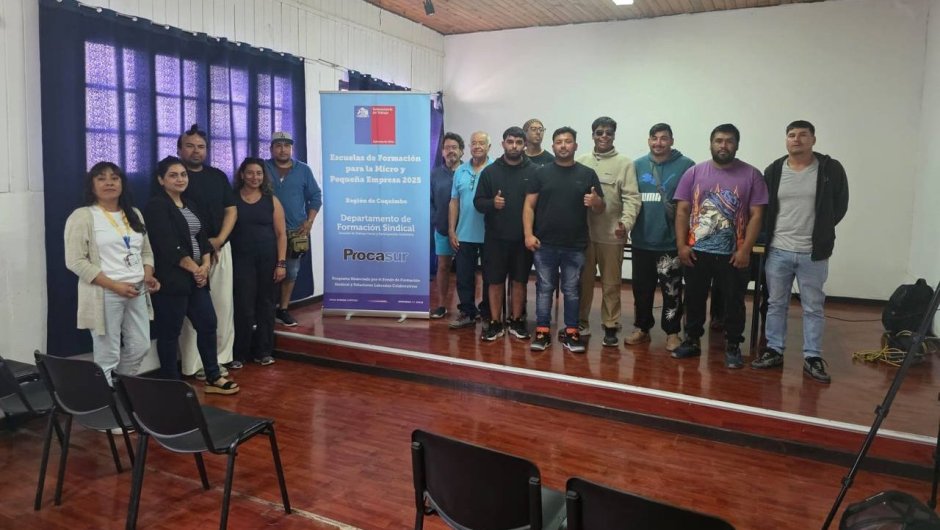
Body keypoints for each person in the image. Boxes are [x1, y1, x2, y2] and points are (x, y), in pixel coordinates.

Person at [751, 120, 849, 384]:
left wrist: (823, 231)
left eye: (803, 135)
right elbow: (765, 207)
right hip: (778, 250)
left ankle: (812, 356)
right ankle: (774, 349)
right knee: (775, 304)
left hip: (812, 253)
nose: (797, 139)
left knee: (813, 307)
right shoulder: (774, 170)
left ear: (813, 140)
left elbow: (840, 205)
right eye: (791, 135)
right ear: (786, 140)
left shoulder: (830, 169)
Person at [672, 124, 768, 369]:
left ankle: (733, 345)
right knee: (694, 298)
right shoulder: (694, 173)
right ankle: (692, 340)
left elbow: (757, 215)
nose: (723, 145)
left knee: (734, 301)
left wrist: (745, 249)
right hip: (697, 252)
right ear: (711, 143)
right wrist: (681, 245)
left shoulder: (752, 175)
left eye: (729, 141)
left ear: (737, 145)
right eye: (718, 140)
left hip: (734, 254)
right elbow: (682, 210)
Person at [145, 156, 239, 395]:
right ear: (161, 180)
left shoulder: (190, 204)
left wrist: (205, 265)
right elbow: (167, 244)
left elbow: (202, 238)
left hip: (197, 278)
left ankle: (213, 377)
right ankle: (171, 385)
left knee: (208, 324)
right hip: (172, 279)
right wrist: (194, 268)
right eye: (173, 175)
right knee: (170, 333)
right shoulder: (157, 206)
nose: (180, 179)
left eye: (183, 175)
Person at [64, 162, 160, 384]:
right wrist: (114, 285)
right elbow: (75, 261)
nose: (109, 182)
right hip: (105, 292)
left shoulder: (134, 213)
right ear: (92, 185)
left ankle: (120, 386)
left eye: (114, 178)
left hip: (137, 290)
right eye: (101, 178)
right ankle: (107, 399)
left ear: (122, 184)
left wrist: (148, 274)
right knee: (108, 355)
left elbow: (146, 251)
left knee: (140, 346)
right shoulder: (83, 216)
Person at [524, 127, 605, 353]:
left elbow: (600, 208)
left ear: (575, 146)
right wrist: (528, 234)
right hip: (544, 244)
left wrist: (596, 202)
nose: (563, 145)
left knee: (571, 289)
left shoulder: (587, 174)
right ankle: (542, 331)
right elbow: (529, 206)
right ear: (553, 146)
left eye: (568, 141)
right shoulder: (541, 173)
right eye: (559, 142)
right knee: (544, 288)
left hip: (575, 245)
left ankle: (571, 332)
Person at [176, 124, 236, 379]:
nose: (196, 151)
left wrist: (219, 240)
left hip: (220, 247)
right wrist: (202, 249)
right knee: (194, 313)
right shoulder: (174, 177)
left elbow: (231, 210)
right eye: (189, 146)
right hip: (188, 254)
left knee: (222, 305)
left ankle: (221, 358)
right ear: (180, 149)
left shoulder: (217, 176)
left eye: (201, 146)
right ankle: (194, 364)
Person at [628, 123, 695, 352]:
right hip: (641, 241)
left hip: (670, 242)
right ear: (649, 140)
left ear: (671, 141)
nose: (658, 143)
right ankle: (642, 328)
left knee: (672, 291)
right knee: (641, 290)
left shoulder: (686, 166)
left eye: (664, 138)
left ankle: (672, 332)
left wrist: (685, 240)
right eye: (654, 138)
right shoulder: (636, 165)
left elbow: (691, 204)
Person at [576, 117, 641, 347]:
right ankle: (580, 322)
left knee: (611, 283)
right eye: (599, 132)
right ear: (592, 135)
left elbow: (632, 198)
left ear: (614, 135)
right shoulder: (581, 161)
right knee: (582, 282)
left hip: (612, 234)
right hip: (583, 235)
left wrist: (626, 224)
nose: (604, 136)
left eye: (608, 133)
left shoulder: (625, 164)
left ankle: (611, 325)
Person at [474, 126, 536, 341]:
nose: (514, 146)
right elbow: (478, 202)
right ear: (503, 144)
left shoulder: (534, 171)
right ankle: (495, 322)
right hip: (495, 239)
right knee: (495, 281)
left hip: (522, 239)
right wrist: (492, 203)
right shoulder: (490, 172)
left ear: (524, 145)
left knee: (520, 281)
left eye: (519, 142)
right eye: (510, 142)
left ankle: (516, 321)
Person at [230, 158, 288, 368]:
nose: (255, 177)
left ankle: (263, 352)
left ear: (264, 176)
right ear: (242, 175)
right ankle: (239, 354)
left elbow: (281, 234)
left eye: (259, 173)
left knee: (266, 306)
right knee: (243, 307)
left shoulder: (272, 200)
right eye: (250, 173)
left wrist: (281, 264)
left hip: (268, 261)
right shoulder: (232, 199)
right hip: (241, 261)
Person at [266, 131, 322, 327]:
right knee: (265, 272)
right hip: (266, 230)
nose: (283, 150)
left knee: (290, 272)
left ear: (291, 148)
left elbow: (315, 196)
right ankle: (264, 311)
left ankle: (283, 309)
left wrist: (310, 221)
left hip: (295, 231)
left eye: (287, 146)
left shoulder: (303, 170)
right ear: (271, 149)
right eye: (278, 146)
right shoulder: (263, 168)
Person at [448, 131, 492, 329]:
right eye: (474, 143)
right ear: (469, 147)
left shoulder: (495, 169)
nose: (477, 146)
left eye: (481, 143)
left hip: (491, 234)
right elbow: (454, 201)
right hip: (464, 233)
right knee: (464, 276)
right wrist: (452, 230)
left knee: (491, 277)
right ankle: (467, 312)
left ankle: (488, 313)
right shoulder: (460, 171)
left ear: (489, 147)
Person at [430, 132, 464, 319]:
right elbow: (428, 201)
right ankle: (442, 305)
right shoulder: (434, 174)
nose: (451, 151)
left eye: (454, 147)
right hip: (443, 229)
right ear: (442, 152)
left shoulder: (468, 172)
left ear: (462, 151)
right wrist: (435, 219)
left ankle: (467, 308)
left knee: (466, 270)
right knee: (443, 267)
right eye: (447, 148)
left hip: (466, 230)